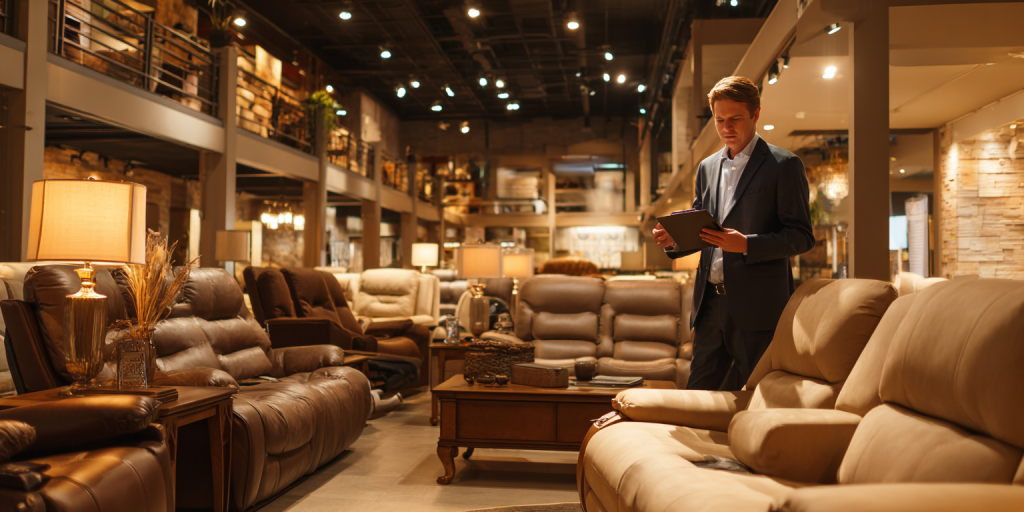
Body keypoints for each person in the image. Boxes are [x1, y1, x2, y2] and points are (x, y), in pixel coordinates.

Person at [653, 76, 814, 391]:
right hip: (710, 305)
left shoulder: (784, 165)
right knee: (697, 395)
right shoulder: (707, 168)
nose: (727, 127)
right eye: (720, 120)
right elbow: (703, 233)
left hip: (759, 308)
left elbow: (801, 236)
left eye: (735, 118)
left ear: (755, 114)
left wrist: (746, 245)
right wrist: (676, 241)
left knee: (760, 395)